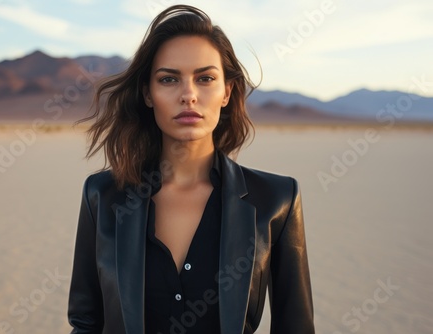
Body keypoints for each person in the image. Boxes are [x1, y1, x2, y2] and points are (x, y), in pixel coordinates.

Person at [68, 4, 314, 334]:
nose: (188, 95)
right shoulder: (103, 196)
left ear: (227, 91)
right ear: (148, 94)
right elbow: (86, 324)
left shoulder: (276, 200)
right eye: (169, 79)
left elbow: (296, 328)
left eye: (205, 78)